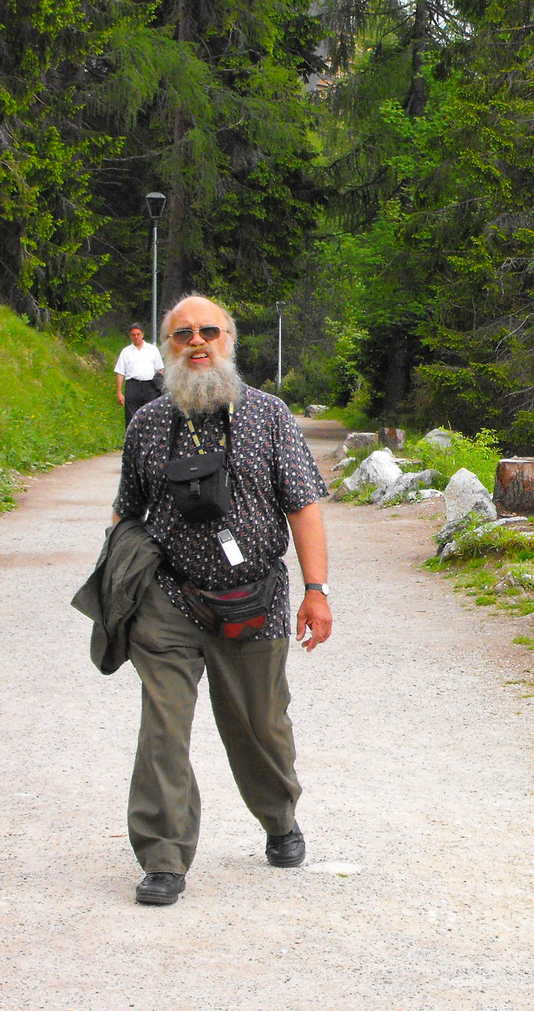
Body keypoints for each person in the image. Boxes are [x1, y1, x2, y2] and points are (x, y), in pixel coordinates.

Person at [110, 294, 332, 906]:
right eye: (183, 335)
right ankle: (163, 857)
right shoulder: (148, 424)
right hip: (168, 601)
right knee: (162, 728)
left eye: (210, 331)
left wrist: (316, 591)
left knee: (260, 725)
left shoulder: (269, 415)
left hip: (254, 598)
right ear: (167, 347)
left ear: (230, 339)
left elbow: (303, 505)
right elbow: (127, 513)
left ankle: (279, 817)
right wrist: (118, 586)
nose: (197, 342)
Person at [113, 324, 165, 427]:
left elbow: (160, 369)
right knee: (131, 416)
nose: (136, 337)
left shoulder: (152, 350)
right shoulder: (126, 352)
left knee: (151, 414)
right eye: (133, 335)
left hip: (149, 386)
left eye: (138, 334)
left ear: (142, 334)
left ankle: (150, 440)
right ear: (130, 336)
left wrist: (157, 384)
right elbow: (120, 373)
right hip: (133, 386)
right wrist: (119, 392)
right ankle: (132, 441)